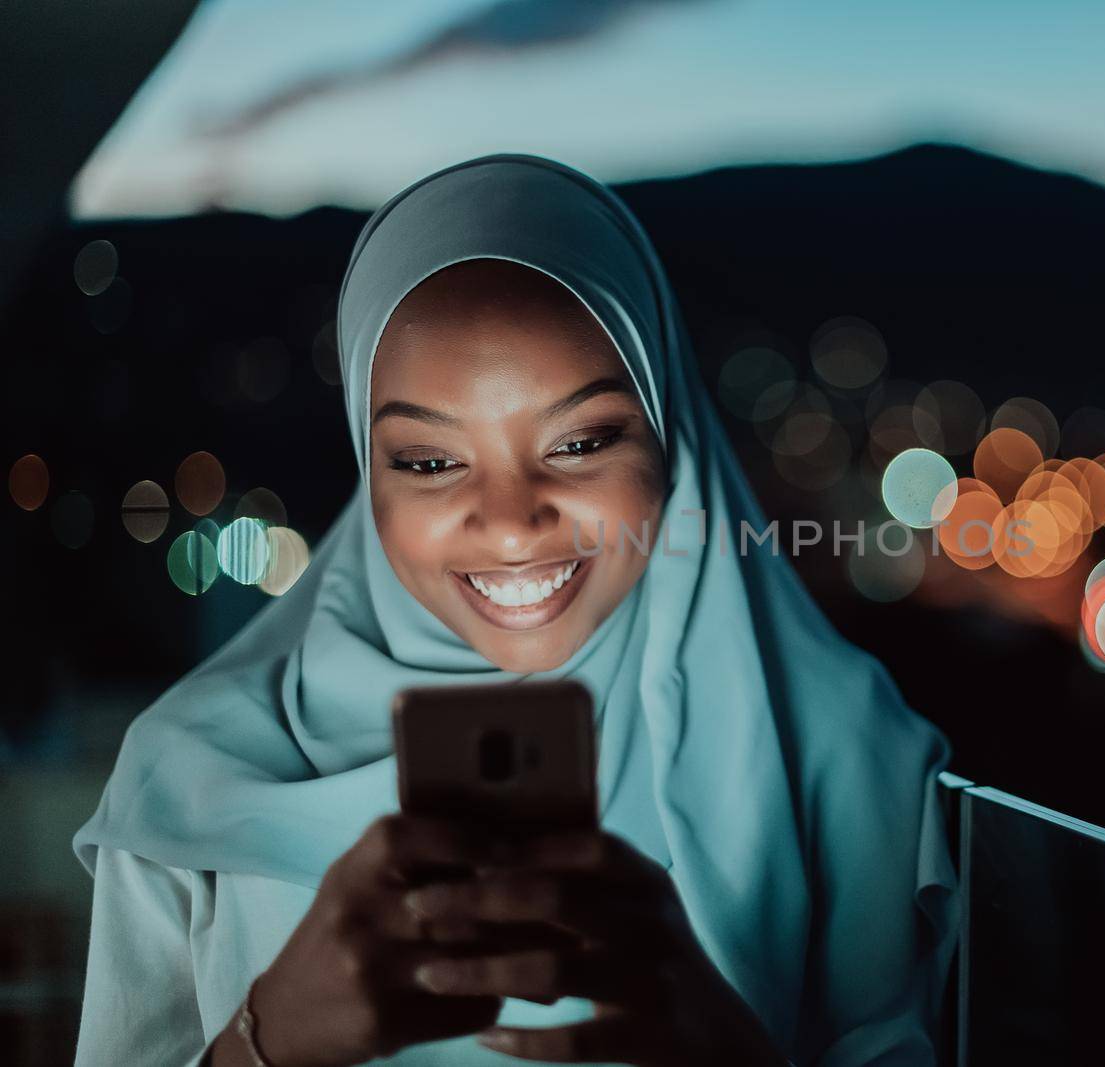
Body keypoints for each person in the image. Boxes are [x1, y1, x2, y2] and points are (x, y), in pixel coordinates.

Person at [70, 153, 959, 1066]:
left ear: (670, 435)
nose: (509, 522)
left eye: (580, 441)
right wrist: (271, 1038)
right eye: (427, 460)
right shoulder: (189, 776)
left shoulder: (838, 748)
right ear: (364, 473)